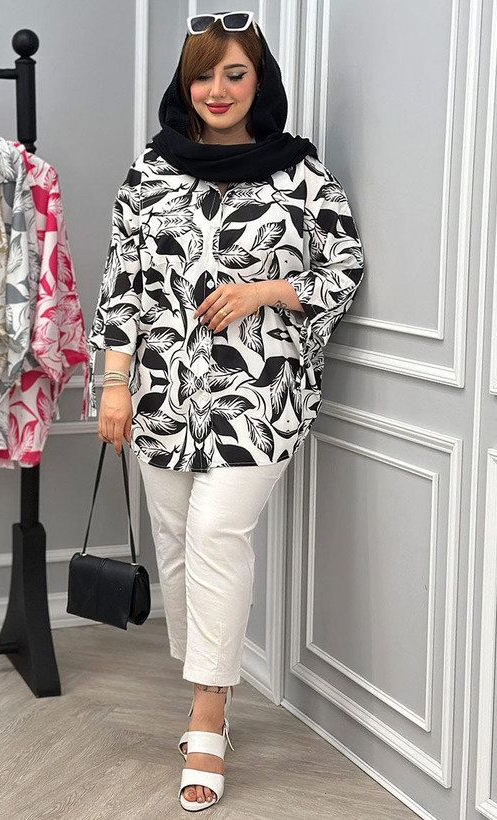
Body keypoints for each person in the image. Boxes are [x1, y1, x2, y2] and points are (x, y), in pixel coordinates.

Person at [86, 10, 364, 811]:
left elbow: (345, 266)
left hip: (261, 396)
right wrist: (113, 384)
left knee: (216, 534)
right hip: (159, 393)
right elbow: (122, 284)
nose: (217, 89)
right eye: (203, 75)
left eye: (234, 73)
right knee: (177, 542)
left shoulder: (300, 175)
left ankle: (208, 717)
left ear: (258, 81)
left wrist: (269, 290)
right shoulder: (151, 172)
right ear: (186, 85)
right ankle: (205, 682)